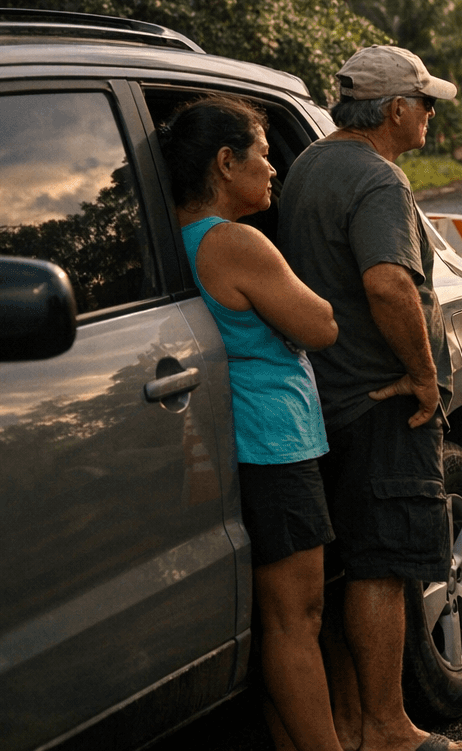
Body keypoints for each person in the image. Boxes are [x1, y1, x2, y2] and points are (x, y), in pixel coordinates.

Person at [279, 47, 462, 751]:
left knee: (345, 569)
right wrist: (423, 375)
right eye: (425, 103)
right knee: (383, 566)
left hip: (324, 397)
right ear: (395, 109)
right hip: (378, 400)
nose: (430, 115)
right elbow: (389, 283)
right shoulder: (378, 178)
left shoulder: (308, 165)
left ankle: (351, 722)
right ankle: (389, 728)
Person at [159, 96, 343, 751]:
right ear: (225, 161)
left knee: (274, 620)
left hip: (231, 442)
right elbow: (320, 324)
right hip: (275, 442)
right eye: (263, 155)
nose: (272, 169)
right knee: (297, 619)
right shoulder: (234, 242)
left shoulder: (175, 240)